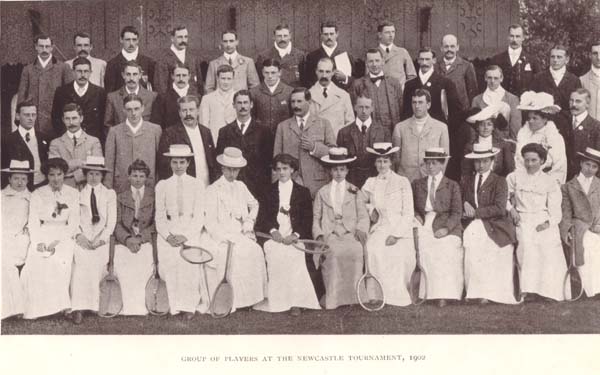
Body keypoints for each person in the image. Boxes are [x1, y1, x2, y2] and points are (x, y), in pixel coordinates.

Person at [254, 154, 320, 315]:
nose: (282, 172)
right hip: (275, 238)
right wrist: (273, 231)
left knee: (294, 255)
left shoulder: (303, 192)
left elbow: (306, 219)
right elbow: (263, 218)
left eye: (285, 168)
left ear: (292, 170)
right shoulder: (268, 191)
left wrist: (295, 235)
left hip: (294, 237)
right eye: (278, 169)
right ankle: (279, 301)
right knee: (275, 254)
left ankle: (296, 302)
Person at [204, 147, 267, 313]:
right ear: (222, 168)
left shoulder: (241, 186)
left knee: (254, 251)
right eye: (229, 169)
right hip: (221, 235)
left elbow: (254, 204)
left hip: (240, 233)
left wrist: (248, 223)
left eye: (236, 170)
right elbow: (209, 220)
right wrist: (221, 236)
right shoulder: (212, 190)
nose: (232, 174)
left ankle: (251, 299)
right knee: (230, 256)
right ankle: (232, 300)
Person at [155, 144, 211, 319]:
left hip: (190, 231)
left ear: (188, 163)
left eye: (182, 162)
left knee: (188, 261)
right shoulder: (162, 185)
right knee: (171, 260)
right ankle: (175, 306)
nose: (178, 166)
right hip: (169, 232)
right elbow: (160, 216)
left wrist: (186, 235)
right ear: (170, 164)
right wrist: (168, 236)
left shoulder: (197, 184)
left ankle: (188, 306)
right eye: (175, 162)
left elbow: (199, 216)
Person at [21, 158, 79, 319]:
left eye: (59, 174)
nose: (55, 179)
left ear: (64, 174)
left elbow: (74, 222)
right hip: (43, 231)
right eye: (51, 174)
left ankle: (62, 306)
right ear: (46, 175)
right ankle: (40, 308)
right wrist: (39, 242)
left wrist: (58, 241)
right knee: (35, 259)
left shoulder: (73, 194)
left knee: (60, 259)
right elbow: (33, 220)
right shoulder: (38, 193)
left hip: (64, 234)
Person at [507, 143, 566, 301]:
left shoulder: (550, 181)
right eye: (527, 160)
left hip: (542, 218)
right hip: (522, 218)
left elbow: (555, 209)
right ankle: (528, 290)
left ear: (542, 161)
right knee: (526, 243)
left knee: (548, 242)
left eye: (534, 160)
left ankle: (549, 291)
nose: (530, 164)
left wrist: (548, 223)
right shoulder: (514, 177)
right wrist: (511, 210)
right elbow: (504, 196)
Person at [461, 144, 518, 304]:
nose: (481, 165)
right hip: (474, 224)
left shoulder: (499, 181)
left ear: (492, 161)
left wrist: (475, 213)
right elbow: (461, 200)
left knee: (492, 248)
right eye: (477, 162)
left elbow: (500, 208)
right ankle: (475, 292)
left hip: (496, 224)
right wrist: (464, 203)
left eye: (485, 161)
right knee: (473, 244)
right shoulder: (467, 180)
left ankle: (490, 293)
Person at [313, 147, 369, 309]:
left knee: (356, 251)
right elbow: (316, 218)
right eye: (335, 169)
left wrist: (360, 229)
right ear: (330, 171)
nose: (338, 173)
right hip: (330, 234)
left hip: (349, 233)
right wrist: (319, 235)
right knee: (333, 253)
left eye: (342, 169)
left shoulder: (354, 191)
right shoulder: (322, 192)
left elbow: (363, 215)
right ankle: (334, 299)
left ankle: (355, 296)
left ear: (347, 171)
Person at [361, 143, 415, 306]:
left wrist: (396, 235)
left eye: (385, 161)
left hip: (401, 227)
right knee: (373, 248)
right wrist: (371, 210)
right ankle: (376, 294)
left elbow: (408, 212)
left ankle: (396, 296)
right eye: (379, 161)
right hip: (382, 226)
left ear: (391, 162)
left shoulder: (402, 181)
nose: (382, 165)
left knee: (397, 253)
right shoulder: (371, 182)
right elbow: (359, 201)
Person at [412, 148, 463, 307]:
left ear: (442, 164)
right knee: (424, 247)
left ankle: (443, 294)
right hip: (425, 221)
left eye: (434, 163)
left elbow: (457, 212)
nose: (430, 167)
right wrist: (416, 215)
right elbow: (411, 206)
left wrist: (446, 229)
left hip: (447, 223)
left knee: (445, 248)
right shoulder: (417, 184)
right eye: (428, 163)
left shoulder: (452, 185)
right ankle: (426, 293)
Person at [70, 156, 117, 324]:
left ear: (102, 175)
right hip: (82, 239)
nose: (94, 177)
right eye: (90, 173)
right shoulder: (77, 193)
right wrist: (80, 236)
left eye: (97, 174)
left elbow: (111, 223)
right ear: (85, 174)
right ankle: (78, 308)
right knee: (81, 264)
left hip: (100, 241)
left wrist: (101, 240)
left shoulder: (109, 194)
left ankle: (95, 305)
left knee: (96, 263)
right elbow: (74, 220)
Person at [273, 87, 336, 197]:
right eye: (293, 102)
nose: (295, 105)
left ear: (309, 102)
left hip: (317, 183)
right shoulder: (282, 127)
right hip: (291, 182)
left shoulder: (324, 124)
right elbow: (276, 158)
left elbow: (333, 154)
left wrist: (314, 147)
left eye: (299, 101)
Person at [113, 159, 156, 316]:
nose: (138, 179)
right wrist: (127, 239)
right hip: (125, 241)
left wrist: (141, 238)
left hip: (145, 240)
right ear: (129, 177)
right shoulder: (120, 197)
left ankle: (142, 305)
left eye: (141, 176)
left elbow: (155, 224)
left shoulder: (153, 196)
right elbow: (116, 223)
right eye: (135, 175)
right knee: (124, 261)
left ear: (146, 178)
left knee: (143, 260)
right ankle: (128, 306)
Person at [216, 90, 273, 199]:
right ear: (233, 105)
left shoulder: (263, 131)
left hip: (257, 187)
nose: (243, 106)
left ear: (251, 104)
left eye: (245, 102)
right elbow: (219, 161)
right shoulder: (225, 131)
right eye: (239, 103)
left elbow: (268, 162)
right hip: (232, 185)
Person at [560, 147, 600, 298]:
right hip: (579, 227)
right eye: (587, 165)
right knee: (589, 244)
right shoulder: (569, 186)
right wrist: (567, 230)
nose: (590, 169)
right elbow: (566, 213)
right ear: (581, 164)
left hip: (597, 225)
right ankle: (589, 288)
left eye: (594, 166)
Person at [17, 34, 74, 139]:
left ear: (52, 47)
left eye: (47, 47)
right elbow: (22, 96)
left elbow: (70, 96)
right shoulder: (28, 69)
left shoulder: (63, 68)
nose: (44, 50)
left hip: (56, 121)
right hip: (34, 120)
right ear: (36, 47)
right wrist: (20, 119)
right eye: (41, 46)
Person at [104, 94, 162, 193]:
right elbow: (109, 163)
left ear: (143, 108)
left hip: (148, 185)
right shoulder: (115, 131)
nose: (133, 113)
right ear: (123, 110)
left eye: (136, 109)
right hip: (122, 185)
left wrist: (158, 185)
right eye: (129, 109)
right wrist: (108, 189)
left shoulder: (155, 130)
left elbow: (160, 162)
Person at [157, 95, 218, 185]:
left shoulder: (206, 132)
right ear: (179, 113)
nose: (188, 114)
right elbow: (164, 165)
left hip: (206, 184)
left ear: (198, 111)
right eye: (184, 110)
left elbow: (212, 161)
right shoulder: (170, 133)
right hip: (183, 186)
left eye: (191, 109)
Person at [393, 89, 450, 182]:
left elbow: (445, 158)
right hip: (406, 180)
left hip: (430, 179)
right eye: (414, 102)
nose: (417, 106)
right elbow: (396, 159)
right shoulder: (400, 127)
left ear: (428, 105)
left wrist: (436, 178)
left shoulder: (441, 128)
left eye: (420, 102)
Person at [336, 95, 391, 187]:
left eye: (367, 107)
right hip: (351, 181)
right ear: (355, 107)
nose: (364, 111)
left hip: (376, 180)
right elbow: (340, 163)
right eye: (361, 107)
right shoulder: (344, 132)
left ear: (372, 108)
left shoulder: (383, 131)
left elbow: (388, 159)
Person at [1, 160, 33, 319]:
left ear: (28, 180)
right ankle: (12, 307)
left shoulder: (32, 198)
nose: (20, 182)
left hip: (22, 239)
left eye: (23, 179)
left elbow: (32, 222)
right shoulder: (1, 196)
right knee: (5, 264)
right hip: (4, 237)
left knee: (7, 263)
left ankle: (16, 307)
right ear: (9, 179)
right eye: (16, 178)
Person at [531, 45, 582, 140]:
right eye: (552, 56)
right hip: (542, 127)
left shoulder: (574, 80)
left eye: (559, 57)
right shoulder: (539, 78)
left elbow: (577, 107)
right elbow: (531, 105)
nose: (555, 60)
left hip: (566, 129)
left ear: (566, 59)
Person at [515, 91, 567, 184]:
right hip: (524, 179)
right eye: (529, 118)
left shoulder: (554, 137)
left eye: (535, 118)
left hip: (546, 182)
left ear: (545, 119)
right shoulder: (524, 135)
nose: (530, 121)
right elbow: (518, 160)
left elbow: (559, 166)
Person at [51, 57, 107, 143]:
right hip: (68, 141)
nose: (83, 75)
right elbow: (56, 118)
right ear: (73, 72)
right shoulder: (62, 92)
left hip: (92, 142)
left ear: (90, 72)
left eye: (86, 71)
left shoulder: (100, 93)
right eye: (79, 71)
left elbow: (103, 121)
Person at [49, 103, 103, 189]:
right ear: (63, 120)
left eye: (74, 118)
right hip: (64, 189)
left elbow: (96, 168)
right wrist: (80, 163)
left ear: (81, 118)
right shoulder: (55, 143)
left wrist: (72, 172)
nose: (71, 123)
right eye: (67, 119)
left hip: (88, 188)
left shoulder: (93, 141)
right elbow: (55, 170)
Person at [350, 48, 403, 133]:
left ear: (383, 61)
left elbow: (400, 108)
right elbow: (354, 111)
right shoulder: (358, 84)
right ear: (366, 63)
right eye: (371, 61)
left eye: (377, 60)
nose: (374, 64)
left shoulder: (394, 83)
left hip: (392, 131)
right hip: (368, 132)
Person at [402, 48, 460, 124]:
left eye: (427, 59)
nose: (424, 63)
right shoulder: (410, 85)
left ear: (434, 60)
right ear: (418, 61)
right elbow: (406, 112)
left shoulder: (446, 83)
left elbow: (455, 112)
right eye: (422, 59)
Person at [1, 101, 49, 190]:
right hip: (19, 189)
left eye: (33, 115)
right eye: (27, 115)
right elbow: (3, 168)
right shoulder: (7, 140)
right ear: (18, 116)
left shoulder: (44, 138)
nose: (31, 118)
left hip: (42, 187)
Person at [104, 61, 158, 137]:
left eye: (135, 74)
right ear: (123, 75)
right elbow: (108, 125)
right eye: (128, 74)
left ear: (140, 75)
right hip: (122, 144)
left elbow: (155, 126)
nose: (131, 78)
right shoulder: (113, 97)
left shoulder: (152, 97)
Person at [462, 104, 515, 178]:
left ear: (493, 127)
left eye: (489, 124)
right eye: (482, 125)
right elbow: (466, 172)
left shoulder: (503, 145)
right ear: (477, 127)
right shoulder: (470, 146)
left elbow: (510, 171)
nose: (485, 128)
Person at [471, 65, 522, 141]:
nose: (492, 81)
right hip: (483, 142)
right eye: (489, 78)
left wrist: (512, 144)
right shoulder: (477, 100)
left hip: (505, 142)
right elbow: (473, 126)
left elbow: (515, 126)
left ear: (501, 78)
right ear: (485, 78)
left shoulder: (512, 99)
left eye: (496, 78)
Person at [304, 21, 357, 90]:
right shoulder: (312, 56)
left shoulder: (346, 55)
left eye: (331, 34)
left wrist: (345, 78)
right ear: (321, 35)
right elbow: (307, 80)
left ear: (337, 34)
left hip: (341, 97)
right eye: (326, 34)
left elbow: (356, 80)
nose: (329, 37)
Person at [309, 57, 355, 137]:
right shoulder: (308, 95)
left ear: (333, 72)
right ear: (316, 71)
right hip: (316, 144)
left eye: (327, 72)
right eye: (321, 71)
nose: (324, 75)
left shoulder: (343, 95)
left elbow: (350, 123)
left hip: (337, 143)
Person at [489, 24, 539, 97]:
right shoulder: (496, 60)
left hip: (524, 104)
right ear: (508, 37)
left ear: (523, 38)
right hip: (501, 102)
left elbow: (538, 84)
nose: (514, 40)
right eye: (512, 36)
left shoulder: (532, 60)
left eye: (517, 36)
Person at [104, 26, 156, 93]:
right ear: (121, 40)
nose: (131, 43)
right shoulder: (112, 64)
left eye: (134, 40)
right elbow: (110, 93)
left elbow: (154, 90)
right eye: (127, 40)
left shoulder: (149, 62)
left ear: (138, 40)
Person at [154, 26, 204, 94]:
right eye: (180, 37)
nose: (183, 40)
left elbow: (199, 82)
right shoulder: (163, 58)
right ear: (172, 38)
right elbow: (161, 86)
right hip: (172, 101)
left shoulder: (193, 57)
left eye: (185, 37)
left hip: (192, 100)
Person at [435, 34, 478, 112]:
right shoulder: (435, 66)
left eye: (452, 46)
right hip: (439, 110)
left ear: (457, 47)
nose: (449, 49)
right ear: (441, 48)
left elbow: (473, 92)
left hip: (460, 111)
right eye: (446, 46)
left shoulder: (467, 66)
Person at [249, 58, 293, 135]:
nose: (270, 76)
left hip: (284, 135)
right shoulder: (254, 92)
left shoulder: (289, 91)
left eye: (273, 73)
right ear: (262, 73)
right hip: (261, 137)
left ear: (280, 72)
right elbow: (251, 117)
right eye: (267, 72)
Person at [151, 63, 200, 129]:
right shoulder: (162, 98)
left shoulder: (197, 97)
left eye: (184, 75)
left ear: (189, 76)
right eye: (178, 75)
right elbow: (156, 124)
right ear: (172, 76)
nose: (181, 79)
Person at [567, 88, 600, 179]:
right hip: (563, 175)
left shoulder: (596, 127)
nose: (573, 104)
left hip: (584, 177)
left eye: (578, 101)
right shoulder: (563, 122)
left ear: (587, 104)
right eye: (571, 100)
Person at [199, 64, 238, 143]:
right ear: (217, 78)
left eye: (229, 79)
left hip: (235, 141)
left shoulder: (239, 97)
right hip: (215, 140)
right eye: (223, 78)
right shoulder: (207, 99)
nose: (226, 82)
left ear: (233, 79)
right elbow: (203, 125)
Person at [376, 20, 416, 89]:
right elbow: (368, 77)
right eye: (387, 32)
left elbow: (412, 76)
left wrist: (405, 88)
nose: (391, 35)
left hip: (399, 93)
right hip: (380, 93)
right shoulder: (373, 53)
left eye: (393, 32)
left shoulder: (402, 52)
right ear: (380, 35)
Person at [580, 41, 600, 119]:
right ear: (589, 55)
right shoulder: (582, 80)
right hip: (590, 129)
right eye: (595, 53)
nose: (599, 57)